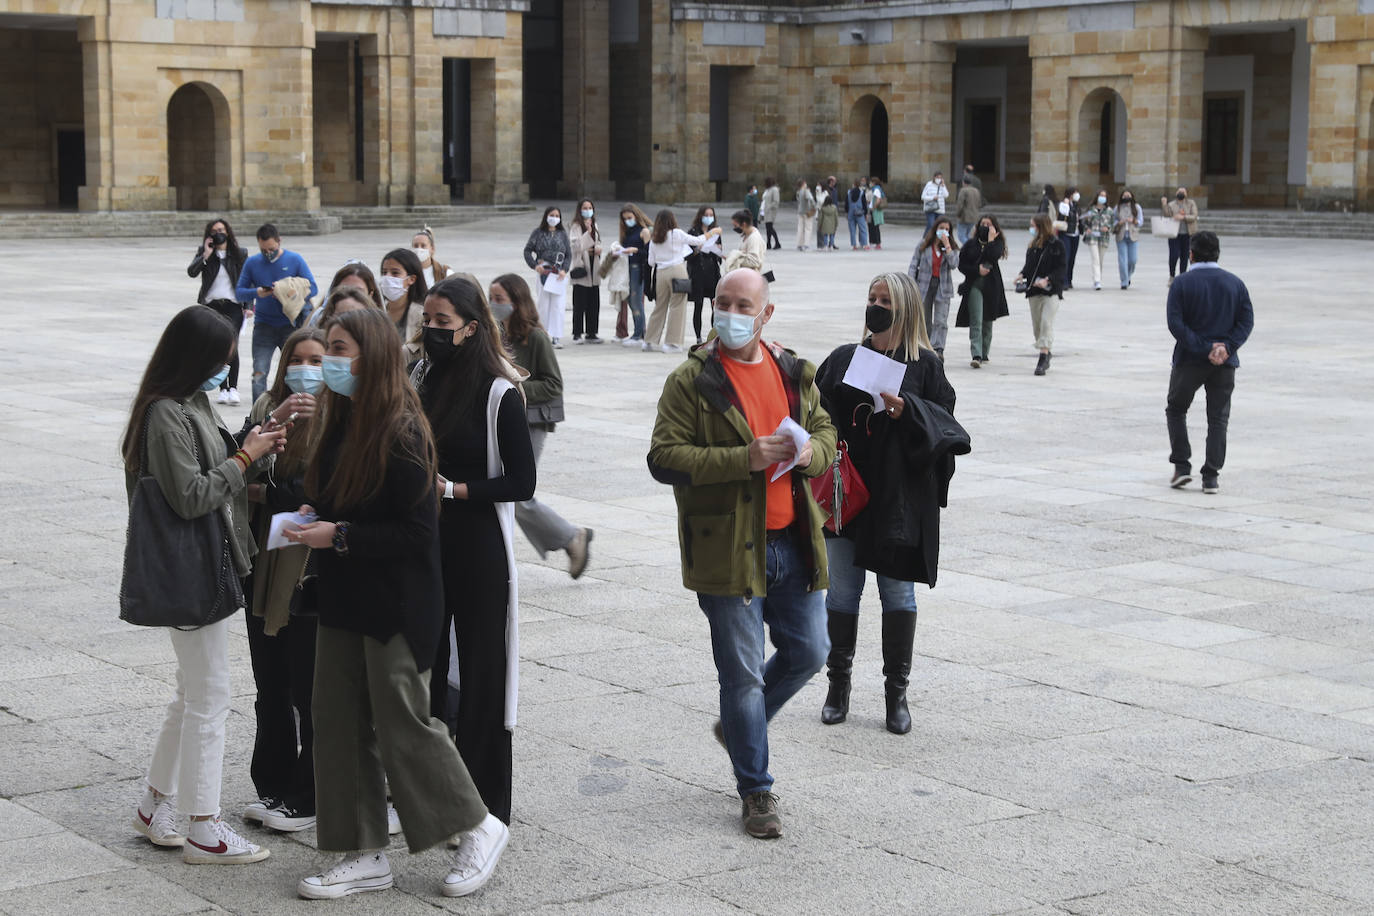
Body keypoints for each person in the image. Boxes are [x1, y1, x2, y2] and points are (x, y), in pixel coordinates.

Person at [286, 307, 508, 899]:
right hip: (343, 598)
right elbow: (343, 502)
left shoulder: (402, 429)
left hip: (396, 604)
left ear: (373, 356)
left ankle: (479, 824)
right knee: (336, 723)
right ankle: (362, 854)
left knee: (403, 724)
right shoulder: (341, 420)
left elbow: (416, 532)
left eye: (339, 349)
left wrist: (340, 535)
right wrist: (317, 516)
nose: (329, 360)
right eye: (328, 347)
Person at [646, 268, 837, 840]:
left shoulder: (794, 373)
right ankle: (756, 789)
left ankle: (738, 727)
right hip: (728, 546)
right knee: (743, 677)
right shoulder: (692, 381)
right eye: (722, 302)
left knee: (811, 651)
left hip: (794, 543)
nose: (729, 312)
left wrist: (810, 457)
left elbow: (825, 434)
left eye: (742, 304)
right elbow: (663, 458)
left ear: (765, 314)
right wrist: (744, 458)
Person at [122, 305, 286, 864]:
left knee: (190, 695)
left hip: (202, 567)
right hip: (192, 571)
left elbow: (219, 464)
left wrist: (254, 444)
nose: (227, 367)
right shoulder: (166, 412)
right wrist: (247, 455)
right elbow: (192, 495)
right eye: (221, 358)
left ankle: (153, 805)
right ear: (195, 358)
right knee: (210, 699)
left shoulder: (190, 402)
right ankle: (204, 829)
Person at [405, 277, 536, 830]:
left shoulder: (499, 392)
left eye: (443, 324)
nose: (432, 332)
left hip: (476, 540)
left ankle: (487, 806)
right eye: (427, 321)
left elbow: (521, 481)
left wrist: (455, 489)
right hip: (425, 540)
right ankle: (431, 794)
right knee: (424, 667)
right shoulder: (421, 376)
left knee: (483, 670)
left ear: (471, 329)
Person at [815, 272, 960, 734]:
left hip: (899, 499)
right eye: (871, 297)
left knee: (898, 592)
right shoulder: (843, 359)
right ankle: (838, 688)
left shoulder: (926, 367)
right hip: (847, 495)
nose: (875, 306)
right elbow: (814, 412)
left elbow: (948, 428)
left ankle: (896, 694)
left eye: (885, 300)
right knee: (841, 591)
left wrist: (907, 410)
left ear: (906, 309)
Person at [241, 327, 326, 834]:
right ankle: (270, 780)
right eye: (298, 359)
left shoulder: (339, 416)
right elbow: (235, 460)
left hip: (307, 571)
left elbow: (314, 490)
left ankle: (308, 791)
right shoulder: (266, 407)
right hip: (264, 562)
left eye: (319, 360)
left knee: (308, 685)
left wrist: (264, 488)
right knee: (268, 681)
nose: (307, 370)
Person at [489, 273, 594, 576]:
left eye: (500, 299)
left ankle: (571, 536)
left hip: (531, 421)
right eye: (491, 298)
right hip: (503, 419)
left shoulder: (534, 337)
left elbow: (553, 384)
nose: (493, 304)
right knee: (505, 490)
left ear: (516, 301)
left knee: (516, 492)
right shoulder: (495, 333)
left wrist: (515, 389)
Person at [1165, 231, 1253, 495]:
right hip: (1225, 364)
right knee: (1218, 418)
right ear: (1218, 254)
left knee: (1176, 409)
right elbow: (1246, 322)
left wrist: (1204, 348)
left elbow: (1175, 324)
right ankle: (1211, 476)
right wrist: (1226, 347)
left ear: (1190, 254)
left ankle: (1181, 466)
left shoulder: (1181, 284)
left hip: (1189, 360)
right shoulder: (1235, 284)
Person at [236, 224, 318, 402]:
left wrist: (288, 291)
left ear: (279, 241)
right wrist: (257, 292)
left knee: (292, 371)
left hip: (289, 324)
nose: (268, 253)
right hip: (264, 325)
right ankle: (256, 418)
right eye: (263, 250)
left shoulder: (294, 260)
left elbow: (313, 288)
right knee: (259, 373)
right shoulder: (252, 263)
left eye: (271, 249)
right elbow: (239, 292)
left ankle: (291, 408)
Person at [188, 217, 249, 405]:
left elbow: (248, 280)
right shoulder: (206, 253)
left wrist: (249, 307)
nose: (219, 234)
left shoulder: (239, 254)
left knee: (232, 345)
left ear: (228, 232)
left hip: (232, 306)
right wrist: (206, 254)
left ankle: (234, 388)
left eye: (221, 230)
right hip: (212, 305)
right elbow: (192, 272)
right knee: (217, 346)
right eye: (214, 231)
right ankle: (223, 388)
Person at [645, 208, 719, 353]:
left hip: (660, 272)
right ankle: (672, 343)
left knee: (659, 307)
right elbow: (697, 240)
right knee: (677, 306)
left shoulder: (654, 238)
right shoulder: (676, 234)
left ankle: (649, 341)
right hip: (677, 270)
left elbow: (650, 262)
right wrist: (713, 232)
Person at [1014, 213, 1068, 376]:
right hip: (1034, 290)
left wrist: (1048, 279)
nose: (1031, 229)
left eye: (1033, 226)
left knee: (1046, 322)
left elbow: (1061, 268)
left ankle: (1043, 357)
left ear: (1041, 226)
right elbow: (1029, 266)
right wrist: (1022, 274)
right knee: (1037, 326)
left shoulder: (1056, 245)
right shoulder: (1033, 245)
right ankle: (1046, 350)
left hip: (1051, 291)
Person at [955, 215, 1009, 368]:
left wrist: (991, 241)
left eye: (989, 224)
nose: (985, 226)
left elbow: (992, 257)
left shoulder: (997, 244)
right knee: (976, 319)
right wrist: (976, 270)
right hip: (974, 285)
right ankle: (976, 354)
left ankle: (985, 352)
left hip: (992, 286)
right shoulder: (971, 244)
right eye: (982, 224)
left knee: (988, 320)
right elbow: (962, 265)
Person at [909, 216, 960, 358]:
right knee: (924, 319)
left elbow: (954, 264)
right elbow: (913, 265)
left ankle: (939, 348)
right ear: (935, 229)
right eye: (941, 228)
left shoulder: (951, 248)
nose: (944, 231)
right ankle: (926, 346)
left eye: (947, 229)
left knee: (941, 320)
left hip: (942, 286)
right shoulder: (923, 245)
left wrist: (947, 246)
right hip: (924, 284)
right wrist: (911, 283)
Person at [523, 206, 572, 347]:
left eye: (557, 215)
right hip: (544, 271)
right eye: (552, 215)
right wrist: (534, 265)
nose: (554, 218)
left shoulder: (562, 234)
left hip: (558, 272)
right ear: (546, 216)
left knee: (558, 305)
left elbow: (568, 254)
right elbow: (527, 251)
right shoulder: (538, 233)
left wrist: (565, 269)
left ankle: (556, 336)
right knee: (544, 304)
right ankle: (543, 334)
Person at [378, 248, 428, 361]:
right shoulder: (377, 312)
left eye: (395, 273)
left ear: (411, 279)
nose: (388, 277)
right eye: (384, 272)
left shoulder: (422, 316)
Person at [615, 204, 652, 346]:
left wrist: (635, 250)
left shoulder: (644, 232)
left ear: (636, 216)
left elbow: (648, 253)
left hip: (638, 268)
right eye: (625, 219)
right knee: (630, 300)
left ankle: (639, 334)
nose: (627, 221)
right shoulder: (627, 233)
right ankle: (639, 331)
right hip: (627, 268)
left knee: (637, 301)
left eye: (629, 218)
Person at [686, 205, 724, 344]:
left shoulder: (716, 233)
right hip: (698, 273)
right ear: (700, 216)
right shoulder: (693, 232)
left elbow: (719, 256)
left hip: (712, 272)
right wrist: (698, 249)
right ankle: (698, 336)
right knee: (698, 305)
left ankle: (714, 335)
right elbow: (688, 255)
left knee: (715, 305)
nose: (709, 217)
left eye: (711, 215)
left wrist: (718, 250)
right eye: (706, 214)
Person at [568, 199, 604, 343]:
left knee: (593, 303)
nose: (588, 210)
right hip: (582, 267)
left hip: (594, 267)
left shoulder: (594, 224)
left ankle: (592, 332)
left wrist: (597, 248)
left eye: (590, 207)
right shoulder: (575, 226)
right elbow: (576, 246)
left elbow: (597, 242)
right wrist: (587, 234)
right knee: (579, 303)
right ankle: (577, 333)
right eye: (585, 207)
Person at [1161, 188, 1200, 285]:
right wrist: (1164, 204)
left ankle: (1182, 277)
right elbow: (1167, 215)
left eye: (1183, 192)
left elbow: (1194, 216)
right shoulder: (1171, 204)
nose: (1181, 193)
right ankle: (1172, 276)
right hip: (1174, 234)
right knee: (1174, 255)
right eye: (1179, 191)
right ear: (1176, 193)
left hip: (1188, 234)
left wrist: (1183, 217)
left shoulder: (1191, 203)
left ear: (1186, 194)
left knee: (1185, 256)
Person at [315, 261, 382, 314]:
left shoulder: (380, 325)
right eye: (344, 289)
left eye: (358, 291)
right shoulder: (319, 318)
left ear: (370, 295)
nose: (350, 296)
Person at [1079, 189, 1114, 291]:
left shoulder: (1109, 210)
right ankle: (1097, 281)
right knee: (1095, 259)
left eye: (1104, 196)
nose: (1102, 197)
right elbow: (1084, 221)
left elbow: (1112, 224)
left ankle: (1098, 277)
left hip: (1104, 238)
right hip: (1092, 237)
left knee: (1100, 260)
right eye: (1100, 195)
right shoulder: (1091, 209)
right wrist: (1087, 229)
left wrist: (1108, 228)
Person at [1113, 189, 1144, 289]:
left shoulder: (1137, 207)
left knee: (1133, 260)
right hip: (1121, 235)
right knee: (1122, 260)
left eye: (1128, 195)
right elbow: (1112, 221)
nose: (1126, 197)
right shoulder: (1117, 208)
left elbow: (1141, 221)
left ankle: (1128, 275)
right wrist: (1119, 222)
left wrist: (1134, 221)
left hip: (1133, 235)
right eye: (1124, 196)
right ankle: (1124, 281)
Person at [723, 209, 765, 274]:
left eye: (735, 226)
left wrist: (736, 258)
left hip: (750, 277)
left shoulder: (754, 238)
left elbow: (755, 261)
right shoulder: (746, 235)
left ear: (744, 224)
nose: (734, 228)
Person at [1057, 187, 1081, 289]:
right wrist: (1066, 204)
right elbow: (1062, 216)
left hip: (1075, 234)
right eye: (1075, 193)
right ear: (1070, 194)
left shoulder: (1076, 205)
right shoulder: (1063, 204)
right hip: (1066, 233)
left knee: (1072, 258)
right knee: (1065, 257)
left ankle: (1069, 280)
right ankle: (1064, 281)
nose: (1077, 195)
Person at [954, 176, 982, 245]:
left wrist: (958, 213)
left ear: (963, 182)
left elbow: (960, 204)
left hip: (964, 216)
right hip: (974, 216)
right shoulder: (976, 190)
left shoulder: (963, 190)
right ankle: (970, 246)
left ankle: (969, 246)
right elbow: (979, 203)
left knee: (961, 236)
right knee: (969, 235)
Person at [845, 178, 870, 250]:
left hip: (850, 212)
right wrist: (865, 213)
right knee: (863, 229)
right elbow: (864, 204)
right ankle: (864, 244)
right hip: (860, 213)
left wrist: (846, 212)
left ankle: (854, 245)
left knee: (852, 230)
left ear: (853, 184)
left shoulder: (849, 192)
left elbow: (846, 203)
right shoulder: (862, 192)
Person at [794, 179, 816, 251]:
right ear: (803, 184)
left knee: (800, 228)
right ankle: (806, 245)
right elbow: (810, 199)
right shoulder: (806, 191)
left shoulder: (798, 192)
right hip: (807, 211)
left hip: (800, 211)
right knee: (808, 228)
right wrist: (814, 206)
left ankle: (799, 244)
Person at [760, 177, 781, 250]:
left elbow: (776, 201)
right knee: (768, 228)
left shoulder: (774, 190)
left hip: (771, 211)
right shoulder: (767, 190)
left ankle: (776, 243)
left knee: (770, 227)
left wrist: (769, 207)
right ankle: (769, 243)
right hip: (766, 211)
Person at [867, 176, 886, 250]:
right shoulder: (875, 189)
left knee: (875, 227)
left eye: (871, 182)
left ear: (874, 183)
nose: (870, 183)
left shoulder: (876, 189)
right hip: (873, 210)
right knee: (872, 226)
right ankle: (874, 242)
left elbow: (878, 200)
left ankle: (877, 242)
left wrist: (873, 207)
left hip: (875, 211)